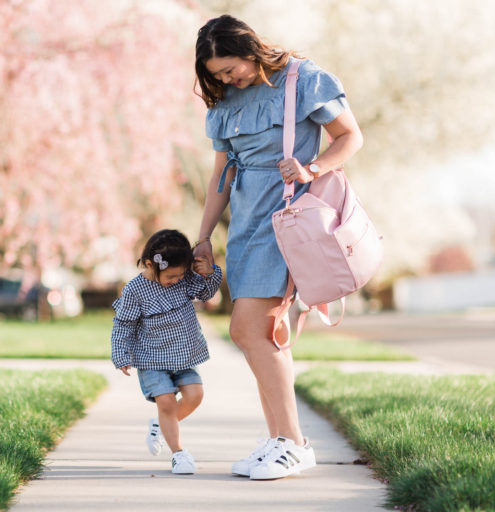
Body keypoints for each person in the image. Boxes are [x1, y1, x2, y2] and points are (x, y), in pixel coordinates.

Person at [192, 15, 364, 480]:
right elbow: (220, 179)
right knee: (257, 333)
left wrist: (312, 167)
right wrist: (205, 236)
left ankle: (293, 442)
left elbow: (351, 136)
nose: (230, 79)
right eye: (219, 75)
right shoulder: (225, 103)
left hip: (287, 221)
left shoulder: (302, 80)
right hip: (245, 225)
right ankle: (279, 439)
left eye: (232, 68)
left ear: (250, 48)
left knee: (252, 328)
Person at [111, 229, 222, 475]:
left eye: (181, 274)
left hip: (183, 355)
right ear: (151, 264)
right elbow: (124, 324)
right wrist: (121, 354)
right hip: (152, 359)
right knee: (167, 403)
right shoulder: (135, 290)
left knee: (195, 395)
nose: (176, 280)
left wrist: (210, 274)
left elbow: (206, 292)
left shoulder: (183, 280)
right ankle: (179, 454)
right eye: (171, 275)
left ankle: (160, 425)